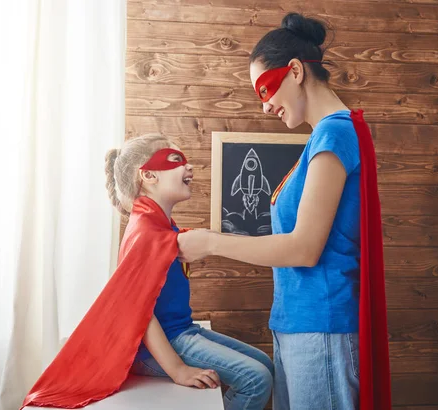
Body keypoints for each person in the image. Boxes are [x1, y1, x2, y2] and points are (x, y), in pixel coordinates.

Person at [177, 12, 392, 410]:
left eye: (264, 90)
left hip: (322, 329)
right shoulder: (319, 140)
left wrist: (211, 242)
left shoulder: (334, 134)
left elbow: (302, 249)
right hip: (298, 326)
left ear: (294, 71)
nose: (265, 107)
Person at [22, 134, 273, 410]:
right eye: (176, 160)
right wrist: (178, 369)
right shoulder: (146, 231)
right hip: (164, 343)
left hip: (181, 330)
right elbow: (137, 308)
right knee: (256, 378)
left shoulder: (159, 225)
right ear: (149, 175)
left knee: (265, 365)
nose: (189, 167)